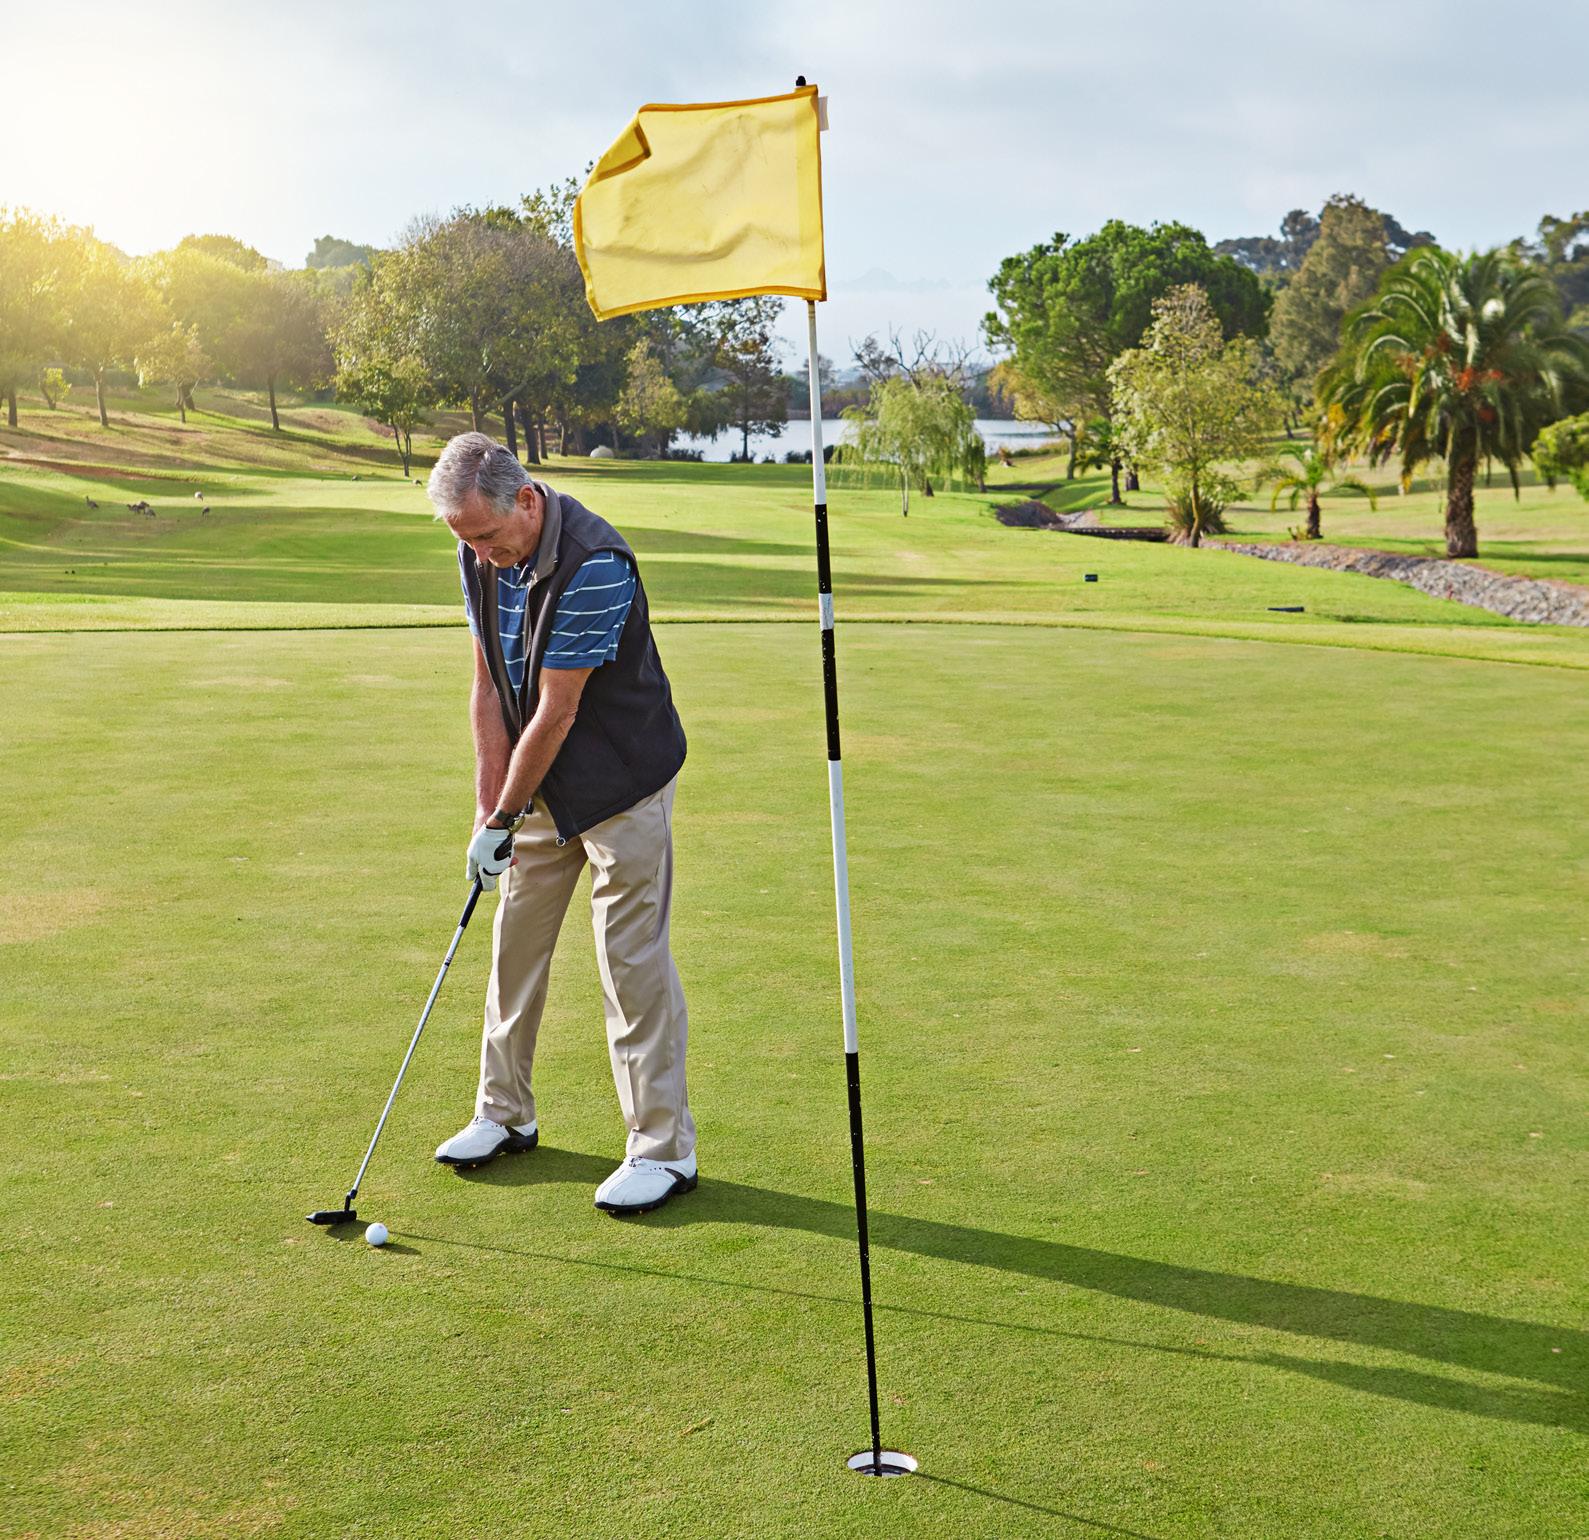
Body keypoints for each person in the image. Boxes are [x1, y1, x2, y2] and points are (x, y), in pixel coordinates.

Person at [424, 432, 696, 1216]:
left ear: (526, 501)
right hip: (537, 784)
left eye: (488, 536)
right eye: (466, 541)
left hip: (621, 784)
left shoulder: (595, 563)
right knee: (514, 944)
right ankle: (503, 1113)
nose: (481, 554)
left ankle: (663, 1150)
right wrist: (489, 814)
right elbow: (488, 685)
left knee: (629, 962)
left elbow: (557, 709)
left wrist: (507, 811)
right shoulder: (480, 550)